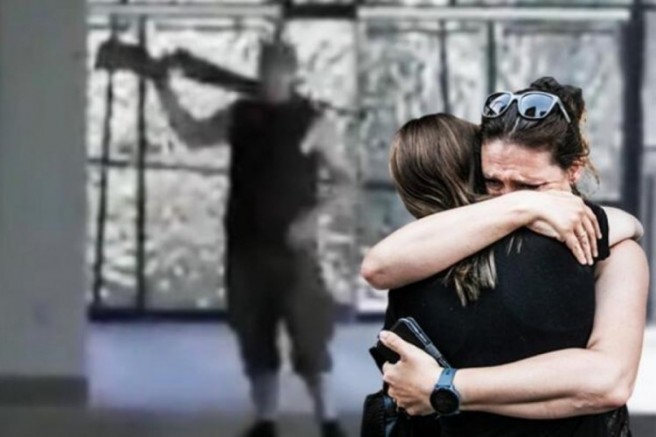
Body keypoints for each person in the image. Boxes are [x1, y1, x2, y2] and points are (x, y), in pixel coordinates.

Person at [96, 37, 354, 437]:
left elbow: (346, 182)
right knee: (254, 337)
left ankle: (329, 422)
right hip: (245, 248)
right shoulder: (241, 114)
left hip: (294, 252)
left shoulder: (313, 121)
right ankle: (266, 421)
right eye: (265, 68)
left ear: (292, 73)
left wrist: (313, 218)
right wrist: (163, 87)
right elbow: (192, 134)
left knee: (309, 339)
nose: (270, 76)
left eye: (277, 69)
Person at [361, 78, 648, 435]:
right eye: (493, 183)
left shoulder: (615, 251)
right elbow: (377, 267)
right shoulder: (454, 238)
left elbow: (609, 382)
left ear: (574, 169)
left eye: (530, 186)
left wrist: (444, 386)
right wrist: (526, 204)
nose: (506, 199)